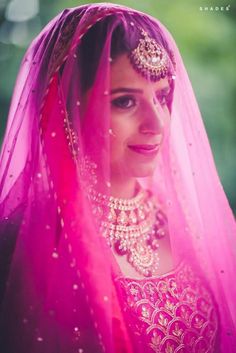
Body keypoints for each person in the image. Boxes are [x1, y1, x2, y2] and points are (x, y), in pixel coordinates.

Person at [0, 3, 235, 353]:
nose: (157, 124)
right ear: (66, 109)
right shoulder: (30, 240)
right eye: (125, 102)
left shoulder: (188, 219)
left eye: (162, 96)